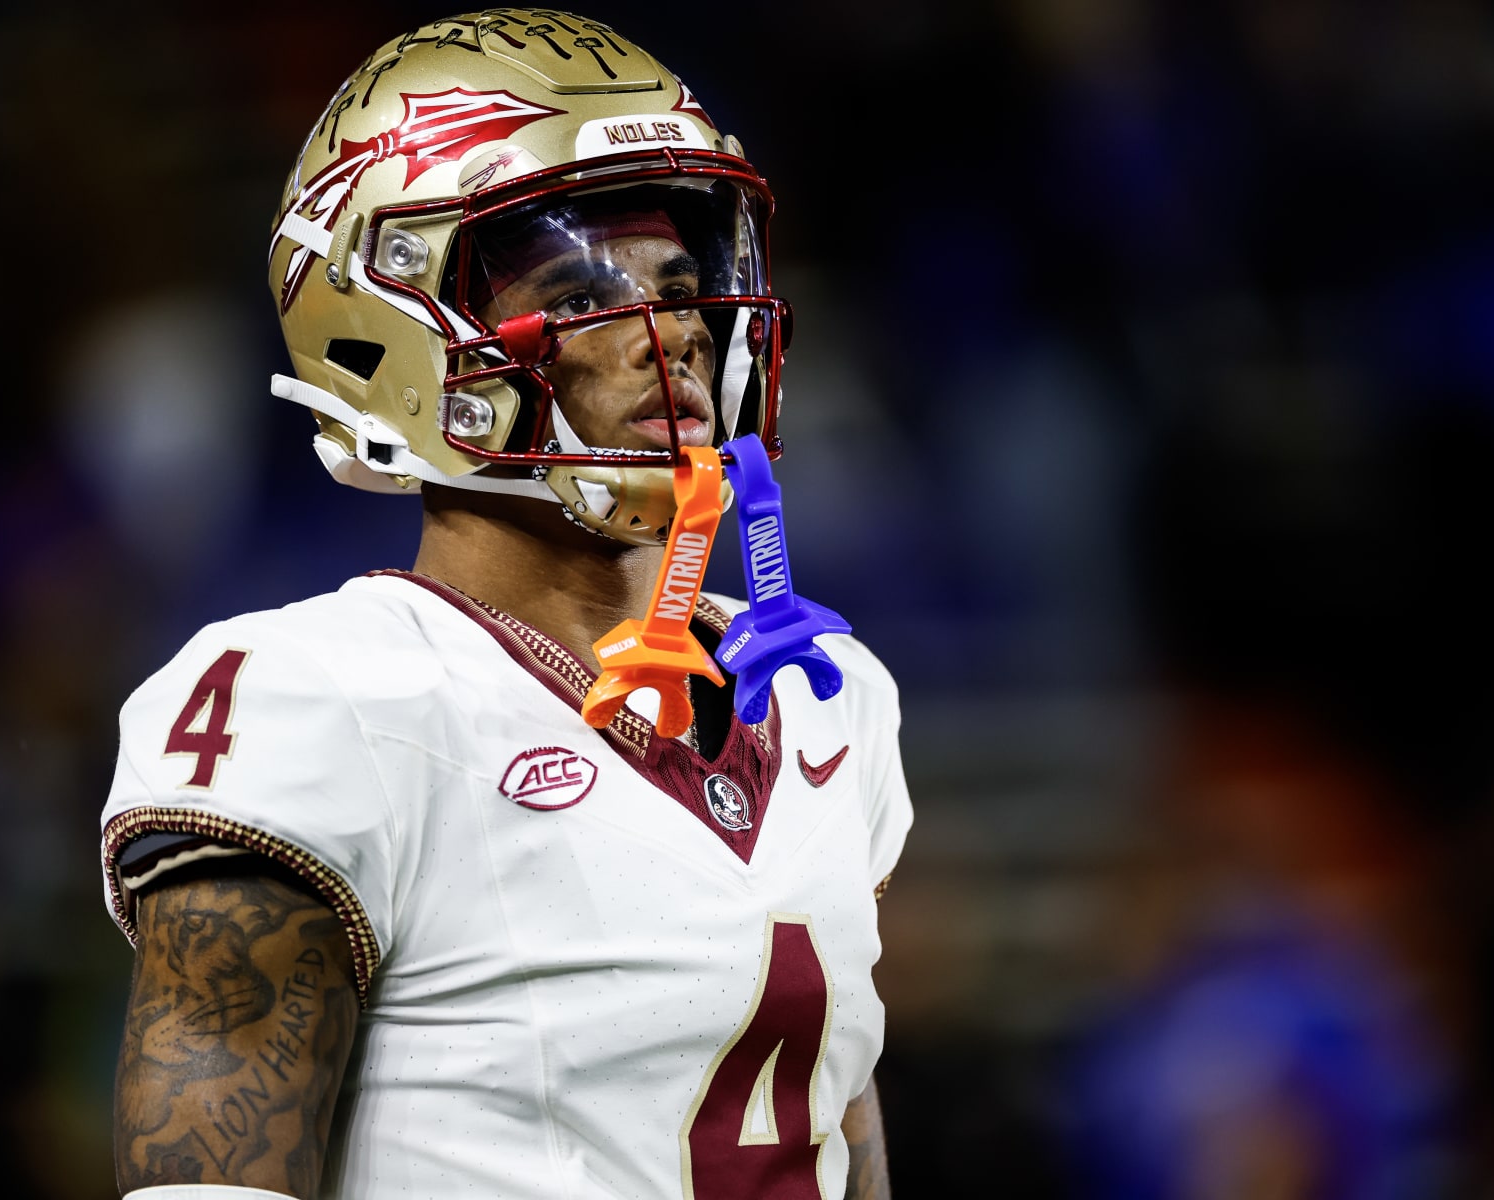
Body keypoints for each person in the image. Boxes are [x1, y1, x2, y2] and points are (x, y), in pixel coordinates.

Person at [99, 12, 911, 1200]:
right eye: (585, 288)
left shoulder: (826, 700)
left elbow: (836, 1136)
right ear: (398, 331)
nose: (672, 329)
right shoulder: (327, 700)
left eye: (680, 283)